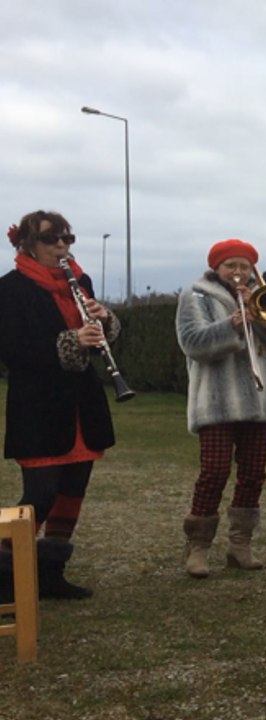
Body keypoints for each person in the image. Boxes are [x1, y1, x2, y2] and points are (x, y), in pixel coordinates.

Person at [0, 210, 119, 601]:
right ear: (27, 245)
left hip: (81, 403)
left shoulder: (79, 281)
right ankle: (4, 576)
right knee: (41, 494)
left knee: (73, 488)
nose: (62, 247)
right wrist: (71, 342)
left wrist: (105, 323)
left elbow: (95, 337)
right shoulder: (10, 289)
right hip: (38, 405)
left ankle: (51, 573)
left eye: (67, 239)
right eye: (52, 240)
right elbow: (12, 349)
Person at [176, 239, 266, 579]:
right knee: (213, 471)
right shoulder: (195, 297)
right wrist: (230, 325)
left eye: (245, 266)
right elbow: (192, 343)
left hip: (259, 399)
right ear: (217, 268)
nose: (239, 273)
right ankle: (198, 546)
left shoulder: (261, 294)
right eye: (232, 266)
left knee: (254, 473)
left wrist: (259, 317)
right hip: (216, 398)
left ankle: (240, 544)